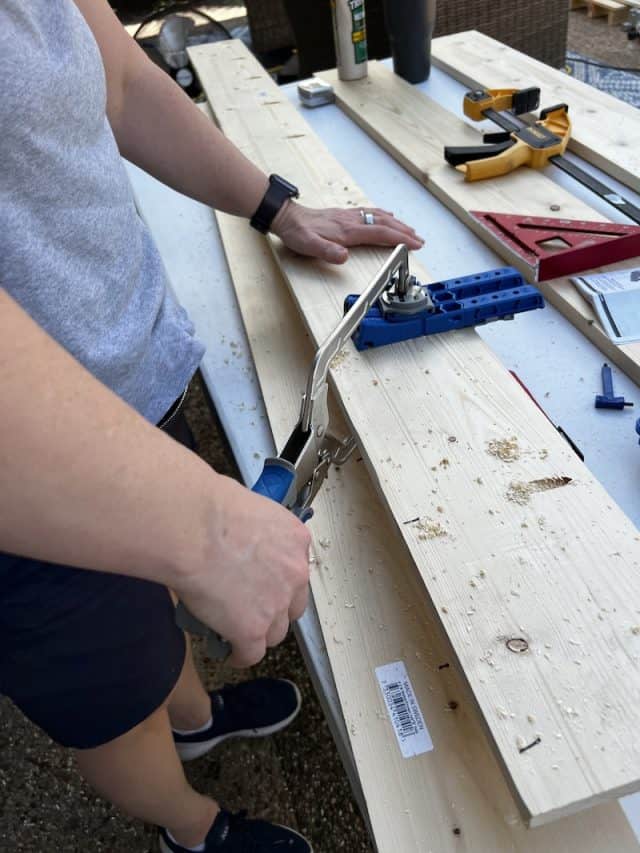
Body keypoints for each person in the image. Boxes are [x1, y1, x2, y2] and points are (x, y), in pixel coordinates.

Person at [0, 2, 423, 851]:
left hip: (131, 364)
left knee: (154, 607)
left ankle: (195, 715)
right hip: (30, 477)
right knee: (112, 698)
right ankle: (191, 826)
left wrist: (276, 208)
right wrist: (205, 526)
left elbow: (117, 81)